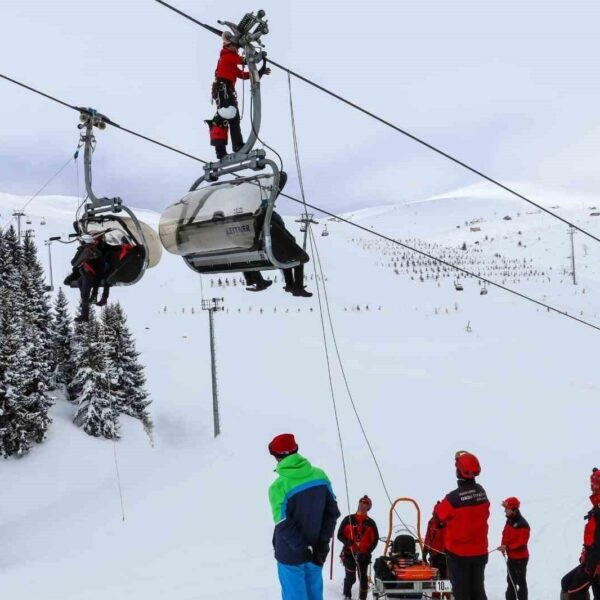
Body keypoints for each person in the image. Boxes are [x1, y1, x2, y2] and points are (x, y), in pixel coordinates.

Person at [268, 433, 340, 600]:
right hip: (316, 552)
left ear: (277, 457)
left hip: (290, 555)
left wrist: (302, 549)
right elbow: (332, 513)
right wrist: (322, 543)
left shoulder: (278, 487)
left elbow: (283, 524)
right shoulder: (320, 476)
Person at [433, 450, 490, 600]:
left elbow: (438, 516)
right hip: (480, 553)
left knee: (462, 593)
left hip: (458, 555)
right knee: (478, 591)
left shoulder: (453, 499)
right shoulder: (482, 493)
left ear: (459, 472)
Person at [209, 31, 271, 159]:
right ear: (229, 45)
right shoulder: (228, 56)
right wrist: (256, 56)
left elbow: (244, 75)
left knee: (227, 118)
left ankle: (222, 150)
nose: (237, 49)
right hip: (224, 90)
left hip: (226, 91)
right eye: (236, 46)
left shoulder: (230, 59)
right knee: (230, 116)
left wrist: (261, 71)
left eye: (237, 47)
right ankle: (235, 145)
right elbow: (245, 60)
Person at [561, 468, 600, 600]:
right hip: (590, 562)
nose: (591, 488)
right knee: (566, 583)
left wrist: (591, 567)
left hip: (595, 566)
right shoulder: (596, 508)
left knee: (573, 591)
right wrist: (585, 556)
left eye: (593, 485)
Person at [337, 495, 379, 600]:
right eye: (361, 502)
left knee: (363, 578)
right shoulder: (348, 519)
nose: (362, 504)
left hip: (363, 555)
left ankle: (362, 598)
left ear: (368, 507)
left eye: (365, 503)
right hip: (349, 553)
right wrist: (348, 542)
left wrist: (368, 552)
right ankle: (347, 595)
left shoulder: (371, 523)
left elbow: (375, 539)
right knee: (350, 577)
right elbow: (339, 535)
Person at [498, 497, 530, 600]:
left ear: (514, 509)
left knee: (521, 582)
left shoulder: (523, 525)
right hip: (511, 557)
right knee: (510, 581)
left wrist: (507, 547)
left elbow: (521, 543)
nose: (505, 511)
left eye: (507, 509)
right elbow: (505, 535)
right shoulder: (509, 521)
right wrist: (503, 545)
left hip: (520, 559)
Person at [70, 235, 106, 323]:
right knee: (80, 283)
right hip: (89, 274)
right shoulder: (93, 249)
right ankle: (85, 309)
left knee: (85, 295)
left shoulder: (87, 249)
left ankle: (85, 316)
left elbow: (74, 262)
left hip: (90, 274)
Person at [423, 502, 448, 578]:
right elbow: (428, 537)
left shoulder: (449, 523)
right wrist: (425, 550)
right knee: (434, 578)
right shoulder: (431, 523)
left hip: (446, 555)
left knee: (447, 577)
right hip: (435, 555)